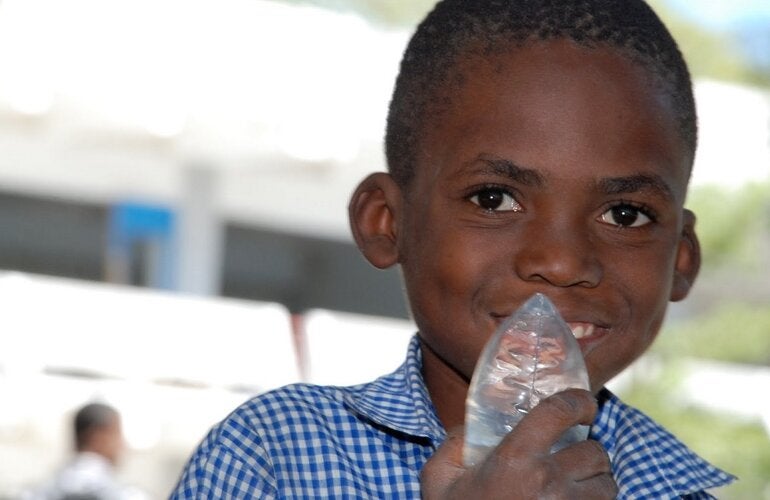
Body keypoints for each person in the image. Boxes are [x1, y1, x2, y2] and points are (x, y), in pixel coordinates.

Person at [171, 0, 736, 497]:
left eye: (625, 214)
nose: (562, 264)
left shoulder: (678, 491)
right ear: (387, 222)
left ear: (681, 259)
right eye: (494, 199)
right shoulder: (275, 458)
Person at [23, 402, 148, 500]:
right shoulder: (124, 495)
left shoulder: (39, 492)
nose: (123, 445)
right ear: (99, 436)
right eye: (118, 435)